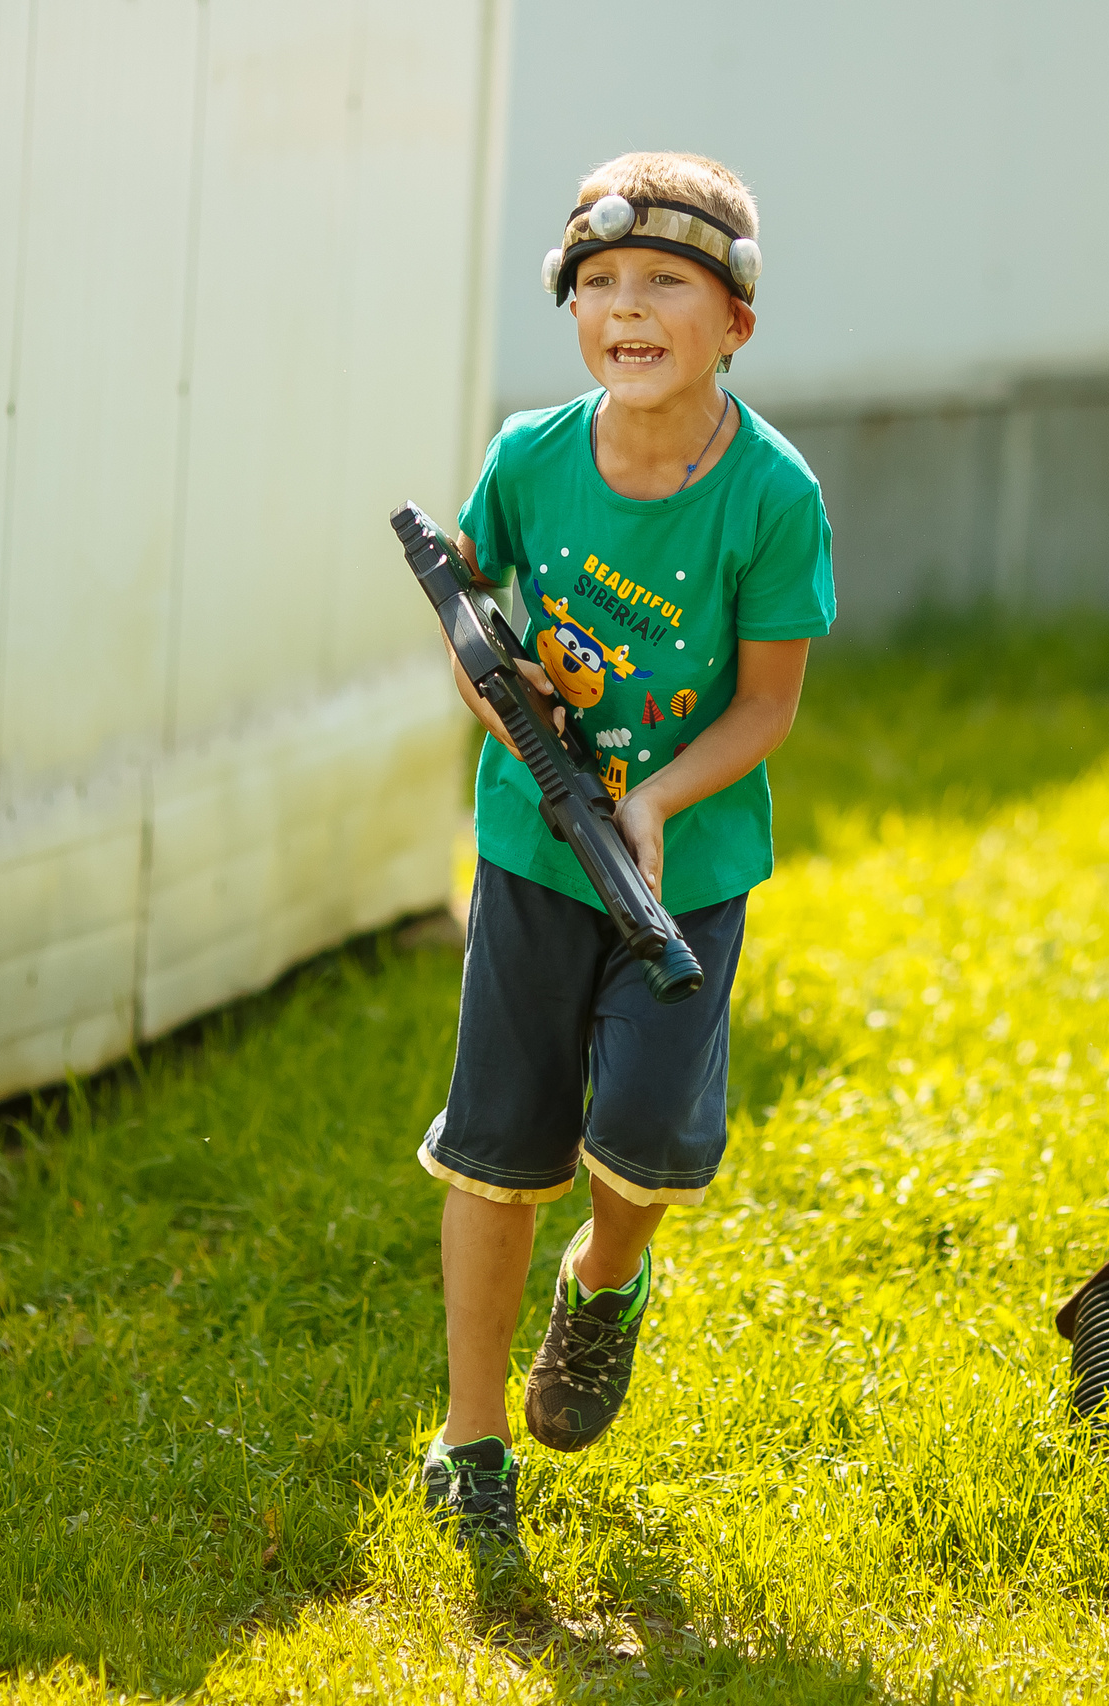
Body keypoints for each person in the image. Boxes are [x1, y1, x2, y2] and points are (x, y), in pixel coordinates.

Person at [416, 151, 835, 1560]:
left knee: (647, 1140)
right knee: (496, 1144)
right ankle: (473, 1440)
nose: (628, 308)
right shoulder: (529, 457)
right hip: (534, 853)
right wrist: (514, 717)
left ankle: (605, 1283)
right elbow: (469, 617)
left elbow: (768, 703)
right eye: (597, 284)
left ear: (737, 324)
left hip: (687, 866)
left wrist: (653, 797)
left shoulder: (773, 497)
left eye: (667, 281)